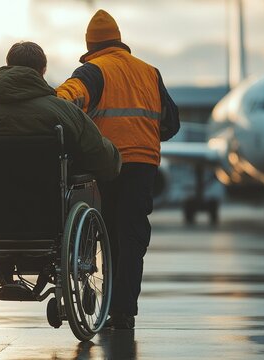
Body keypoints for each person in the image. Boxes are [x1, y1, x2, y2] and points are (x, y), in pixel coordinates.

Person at [0, 41, 122, 284]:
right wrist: (114, 156)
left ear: (7, 67)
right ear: (42, 71)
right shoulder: (63, 112)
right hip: (48, 222)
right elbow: (101, 158)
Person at [57, 10, 180, 329]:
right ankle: (124, 311)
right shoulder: (149, 71)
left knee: (108, 231)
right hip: (144, 163)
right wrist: (148, 135)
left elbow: (65, 100)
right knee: (133, 234)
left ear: (90, 45)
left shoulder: (92, 71)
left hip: (107, 161)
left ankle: (109, 300)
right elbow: (171, 122)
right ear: (119, 40)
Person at [0, 41, 121, 187]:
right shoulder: (66, 112)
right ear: (43, 70)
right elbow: (103, 161)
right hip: (49, 212)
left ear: (8, 66)